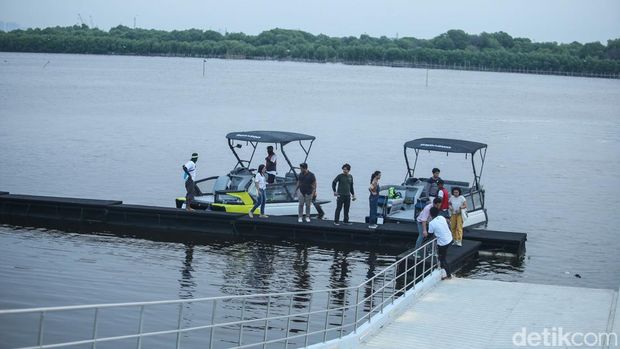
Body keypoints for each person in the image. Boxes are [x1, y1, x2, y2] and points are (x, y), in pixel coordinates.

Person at [428, 206, 454, 280]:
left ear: (430, 214)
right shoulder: (442, 217)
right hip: (449, 238)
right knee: (443, 256)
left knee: (442, 258)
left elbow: (430, 234)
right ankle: (443, 271)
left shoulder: (431, 223)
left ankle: (448, 275)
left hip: (443, 242)